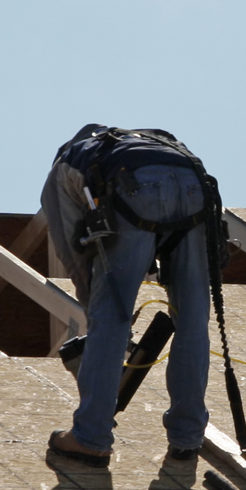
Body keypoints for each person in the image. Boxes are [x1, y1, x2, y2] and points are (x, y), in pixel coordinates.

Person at [40, 124, 221, 468]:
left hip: (135, 188)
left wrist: (99, 317)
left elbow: (74, 256)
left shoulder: (64, 167)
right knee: (194, 318)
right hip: (196, 186)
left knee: (111, 316)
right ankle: (187, 437)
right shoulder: (153, 142)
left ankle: (91, 438)